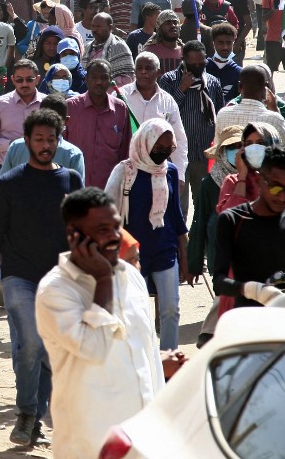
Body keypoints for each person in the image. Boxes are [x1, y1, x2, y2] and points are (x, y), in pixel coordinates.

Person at [35, 187, 178, 459]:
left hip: (145, 442)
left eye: (116, 226)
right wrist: (102, 280)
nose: (114, 237)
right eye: (102, 230)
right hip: (89, 445)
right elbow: (94, 348)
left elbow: (145, 354)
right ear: (74, 236)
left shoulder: (132, 278)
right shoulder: (56, 291)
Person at [0, 109, 83, 447]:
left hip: (61, 280)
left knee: (52, 349)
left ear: (58, 140)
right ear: (26, 141)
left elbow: (82, 233)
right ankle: (26, 412)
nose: (45, 145)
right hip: (19, 277)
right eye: (39, 139)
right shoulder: (9, 184)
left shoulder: (71, 181)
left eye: (51, 139)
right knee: (31, 343)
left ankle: (35, 417)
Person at [104, 119, 188, 350]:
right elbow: (107, 212)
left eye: (168, 149)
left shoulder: (169, 171)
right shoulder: (125, 171)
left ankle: (169, 360)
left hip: (165, 248)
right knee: (135, 312)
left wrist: (185, 253)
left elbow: (175, 214)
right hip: (133, 256)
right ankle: (141, 360)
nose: (162, 154)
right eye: (158, 149)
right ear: (145, 143)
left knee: (170, 309)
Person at [212, 146, 285, 309]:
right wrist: (253, 290)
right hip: (248, 322)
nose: (282, 196)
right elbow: (219, 282)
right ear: (259, 180)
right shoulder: (232, 220)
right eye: (276, 187)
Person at [159, 40, 225, 213]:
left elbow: (220, 114)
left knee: (204, 205)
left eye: (201, 63)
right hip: (177, 154)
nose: (197, 66)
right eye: (193, 64)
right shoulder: (169, 80)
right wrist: (182, 88)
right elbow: (163, 114)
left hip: (203, 153)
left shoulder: (212, 82)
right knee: (178, 205)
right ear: (183, 60)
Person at [118, 51, 188, 180]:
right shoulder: (120, 97)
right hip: (126, 170)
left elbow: (179, 140)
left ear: (158, 72)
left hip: (157, 172)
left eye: (148, 68)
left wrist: (180, 176)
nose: (143, 72)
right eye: (139, 68)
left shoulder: (168, 102)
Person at [64, 59, 131, 189]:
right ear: (86, 79)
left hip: (109, 188)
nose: (99, 82)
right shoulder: (71, 107)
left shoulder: (121, 109)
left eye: (104, 77)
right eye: (94, 77)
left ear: (111, 80)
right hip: (74, 187)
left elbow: (125, 151)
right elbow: (61, 147)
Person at [0, 60, 46, 178]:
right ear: (12, 80)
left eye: (29, 79)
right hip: (7, 169)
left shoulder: (47, 103)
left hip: (42, 169)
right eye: (19, 80)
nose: (24, 84)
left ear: (37, 79)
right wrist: (11, 145)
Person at [0, 93, 85, 177]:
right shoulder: (73, 154)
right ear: (66, 121)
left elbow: (2, 185)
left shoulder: (16, 147)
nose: (45, 146)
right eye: (39, 139)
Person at [213, 64, 285, 146]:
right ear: (266, 87)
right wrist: (275, 109)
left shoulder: (223, 114)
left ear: (239, 87)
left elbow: (217, 147)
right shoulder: (275, 119)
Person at [82, 12, 135, 87]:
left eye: (98, 26)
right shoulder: (88, 47)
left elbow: (128, 79)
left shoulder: (119, 46)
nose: (94, 30)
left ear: (110, 28)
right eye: (93, 26)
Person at [206, 22, 242, 104]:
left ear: (233, 43)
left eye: (229, 43)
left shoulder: (239, 72)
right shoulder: (204, 68)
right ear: (213, 44)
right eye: (221, 43)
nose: (225, 47)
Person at [141, 9, 183, 75]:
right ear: (159, 28)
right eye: (168, 23)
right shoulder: (149, 51)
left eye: (175, 23)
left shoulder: (185, 51)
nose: (173, 26)